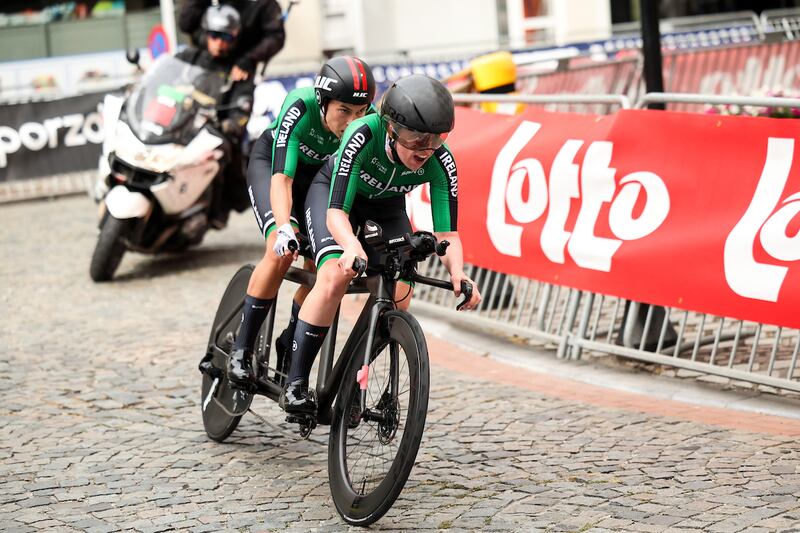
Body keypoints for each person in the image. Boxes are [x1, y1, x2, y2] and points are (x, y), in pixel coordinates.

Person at [279, 74, 483, 414]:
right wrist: (350, 246)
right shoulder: (363, 134)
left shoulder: (440, 161)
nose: (425, 148)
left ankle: (350, 377)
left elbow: (448, 235)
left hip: (385, 207)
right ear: (390, 129)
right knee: (333, 276)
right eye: (415, 138)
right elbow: (336, 215)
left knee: (400, 296)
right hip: (335, 197)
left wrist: (459, 273)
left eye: (435, 138)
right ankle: (296, 382)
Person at [226, 56, 376, 389]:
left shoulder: (369, 124)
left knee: (321, 263)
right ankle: (242, 347)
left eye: (361, 112)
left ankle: (290, 338)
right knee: (281, 251)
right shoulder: (300, 106)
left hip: (318, 182)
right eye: (343, 111)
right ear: (323, 104)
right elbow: (282, 179)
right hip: (276, 169)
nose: (353, 121)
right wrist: (284, 227)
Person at [178, 0, 285, 82]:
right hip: (203, 62)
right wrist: (208, 40)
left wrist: (249, 58)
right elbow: (185, 24)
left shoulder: (264, 3)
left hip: (238, 69)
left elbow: (276, 36)